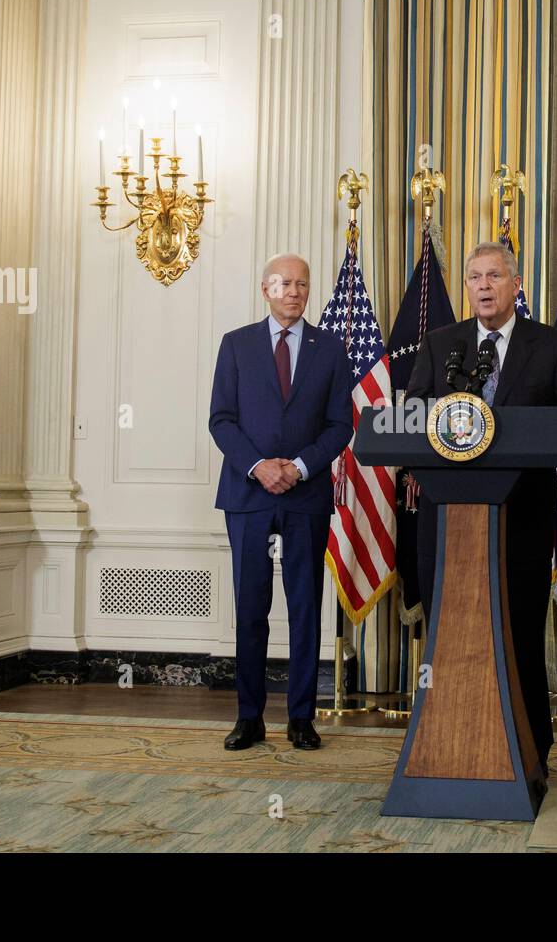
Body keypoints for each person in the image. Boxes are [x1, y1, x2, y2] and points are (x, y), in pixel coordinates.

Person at [405, 241, 557, 774]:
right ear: (466, 286)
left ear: (517, 285)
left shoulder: (551, 346)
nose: (484, 286)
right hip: (449, 526)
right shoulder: (440, 343)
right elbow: (414, 418)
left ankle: (530, 753)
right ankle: (445, 745)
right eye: (475, 277)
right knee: (449, 638)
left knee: (516, 633)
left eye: (495, 276)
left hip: (522, 523)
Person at [208, 253, 353, 751]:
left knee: (304, 606)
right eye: (285, 283)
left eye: (302, 284)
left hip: (305, 493)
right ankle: (248, 718)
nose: (295, 291)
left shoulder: (331, 349)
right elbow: (221, 420)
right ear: (265, 289)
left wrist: (299, 467)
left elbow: (341, 425)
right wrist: (260, 466)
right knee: (251, 607)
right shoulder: (236, 345)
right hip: (248, 493)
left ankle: (301, 719)